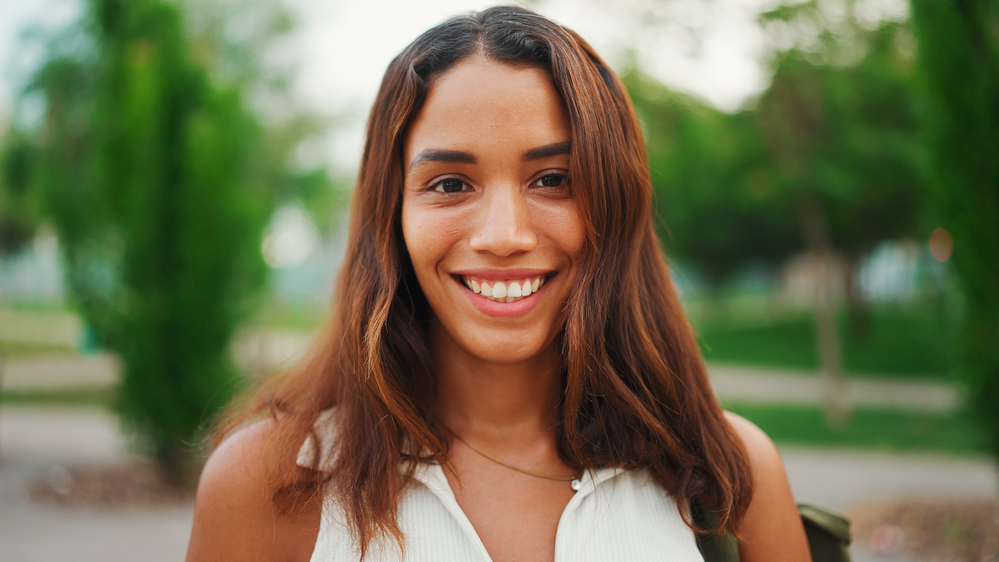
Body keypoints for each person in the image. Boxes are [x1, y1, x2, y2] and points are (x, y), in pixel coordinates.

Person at [186, 6, 810, 562]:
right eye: (451, 184)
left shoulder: (729, 473)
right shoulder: (269, 482)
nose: (504, 234)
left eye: (553, 179)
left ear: (615, 203)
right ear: (392, 216)